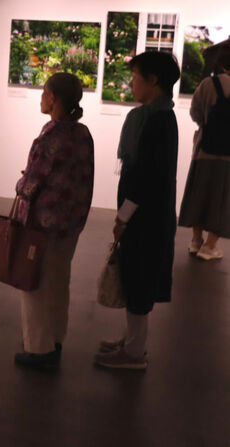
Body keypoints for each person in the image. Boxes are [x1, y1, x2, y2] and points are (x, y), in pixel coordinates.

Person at [95, 51, 180, 370]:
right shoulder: (154, 116)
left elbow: (147, 178)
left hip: (147, 219)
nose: (131, 83)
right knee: (135, 277)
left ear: (153, 80)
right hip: (147, 216)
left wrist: (123, 216)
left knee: (140, 280)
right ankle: (131, 341)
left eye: (135, 77)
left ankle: (133, 353)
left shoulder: (157, 121)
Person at [13, 72, 95, 370]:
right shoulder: (82, 133)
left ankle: (39, 350)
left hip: (43, 225)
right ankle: (55, 340)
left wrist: (21, 186)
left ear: (54, 98)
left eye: (44, 91)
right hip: (70, 224)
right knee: (59, 281)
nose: (41, 96)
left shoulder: (51, 135)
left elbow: (32, 183)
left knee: (33, 284)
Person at [178, 44, 230, 260]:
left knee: (199, 194)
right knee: (223, 199)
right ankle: (210, 246)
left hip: (204, 151)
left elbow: (195, 113)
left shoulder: (208, 84)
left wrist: (206, 125)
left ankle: (195, 240)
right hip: (228, 157)